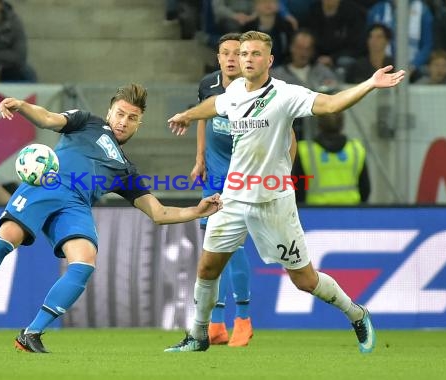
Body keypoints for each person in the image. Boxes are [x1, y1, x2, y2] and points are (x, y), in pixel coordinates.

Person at [164, 30, 405, 353]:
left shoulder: (286, 94)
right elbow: (215, 105)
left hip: (272, 202)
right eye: (244, 54)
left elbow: (331, 104)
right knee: (207, 268)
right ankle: (198, 335)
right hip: (233, 198)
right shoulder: (234, 90)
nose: (247, 59)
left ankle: (357, 313)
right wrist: (188, 115)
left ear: (270, 60)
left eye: (255, 54)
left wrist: (369, 84)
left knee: (304, 280)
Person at [0, 83, 223, 353]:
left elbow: (158, 213)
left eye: (132, 118)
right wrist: (23, 106)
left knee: (85, 259)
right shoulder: (87, 121)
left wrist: (196, 211)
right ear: (110, 111)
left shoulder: (125, 171)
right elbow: (49, 119)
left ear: (139, 123)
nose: (124, 121)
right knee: (7, 239)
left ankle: (31, 334)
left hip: (76, 206)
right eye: (120, 114)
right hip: (48, 185)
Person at [193, 32, 298, 347]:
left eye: (236, 53)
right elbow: (205, 116)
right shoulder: (209, 85)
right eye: (225, 53)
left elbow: (289, 136)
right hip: (215, 174)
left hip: (247, 177)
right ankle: (215, 325)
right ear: (219, 57)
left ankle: (243, 317)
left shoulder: (262, 90)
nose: (230, 58)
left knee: (232, 249)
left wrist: (284, 174)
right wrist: (199, 158)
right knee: (212, 248)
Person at [292, 112, 371, 204]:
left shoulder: (305, 151)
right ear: (342, 124)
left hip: (314, 213)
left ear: (319, 124)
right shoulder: (356, 149)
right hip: (351, 212)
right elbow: (365, 189)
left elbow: (298, 189)